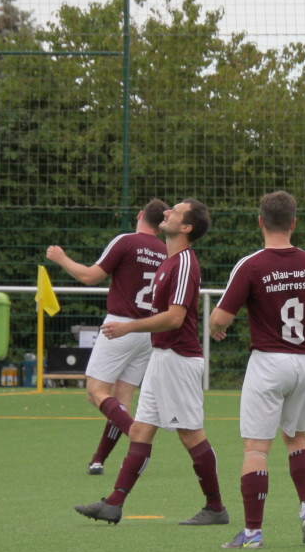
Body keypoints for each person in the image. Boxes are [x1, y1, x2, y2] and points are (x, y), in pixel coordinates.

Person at [74, 199, 229, 526]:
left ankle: (216, 507)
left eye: (176, 211)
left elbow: (174, 318)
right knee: (141, 430)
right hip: (161, 357)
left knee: (191, 435)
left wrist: (128, 326)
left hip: (179, 360)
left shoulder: (185, 262)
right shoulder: (169, 261)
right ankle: (114, 504)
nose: (168, 213)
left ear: (186, 227)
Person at [210, 191, 305, 550]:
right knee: (297, 437)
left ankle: (252, 533)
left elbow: (220, 317)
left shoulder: (251, 265)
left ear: (260, 222)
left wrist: (216, 326)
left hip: (268, 362)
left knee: (256, 449)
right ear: (294, 223)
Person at [46, 199, 168, 475]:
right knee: (121, 401)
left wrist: (61, 258)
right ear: (161, 227)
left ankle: (136, 438)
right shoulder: (166, 250)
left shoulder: (126, 241)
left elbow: (91, 276)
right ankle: (98, 460)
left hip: (120, 327)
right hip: (147, 330)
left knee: (95, 392)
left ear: (139, 215)